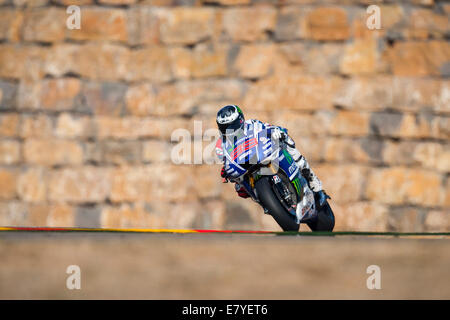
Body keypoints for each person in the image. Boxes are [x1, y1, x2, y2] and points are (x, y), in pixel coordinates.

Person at [215, 104, 330, 207]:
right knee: (239, 188)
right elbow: (225, 162)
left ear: (240, 120)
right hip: (244, 168)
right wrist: (225, 171)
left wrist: (276, 131)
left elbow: (268, 127)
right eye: (225, 127)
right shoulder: (221, 145)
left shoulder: (252, 124)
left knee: (288, 144)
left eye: (232, 125)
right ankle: (267, 203)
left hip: (262, 155)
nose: (229, 130)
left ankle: (314, 183)